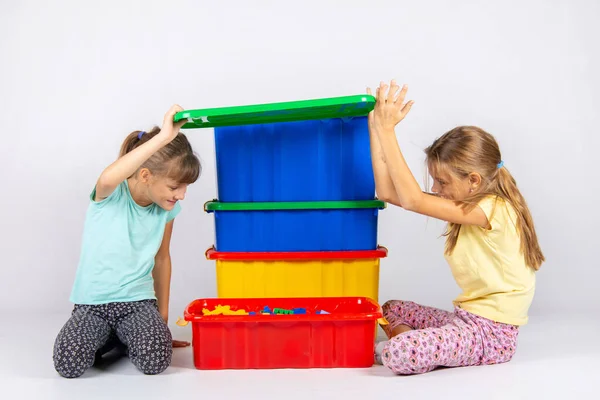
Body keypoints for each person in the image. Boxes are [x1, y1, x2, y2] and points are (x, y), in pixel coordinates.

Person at [368, 81, 544, 375]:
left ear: (473, 180)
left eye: (442, 182)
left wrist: (389, 131)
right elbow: (387, 192)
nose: (436, 190)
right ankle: (429, 343)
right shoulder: (468, 204)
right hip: (465, 320)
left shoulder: (493, 208)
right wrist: (376, 126)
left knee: (399, 353)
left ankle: (412, 345)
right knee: (390, 308)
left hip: (490, 335)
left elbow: (412, 199)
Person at [53, 105, 201, 378]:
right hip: (92, 305)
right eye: (174, 187)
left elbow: (162, 258)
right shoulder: (109, 194)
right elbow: (108, 176)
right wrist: (163, 138)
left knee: (156, 360)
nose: (181, 195)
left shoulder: (166, 210)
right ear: (146, 175)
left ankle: (124, 338)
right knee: (69, 363)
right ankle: (115, 339)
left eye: (185, 187)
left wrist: (162, 318)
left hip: (138, 303)